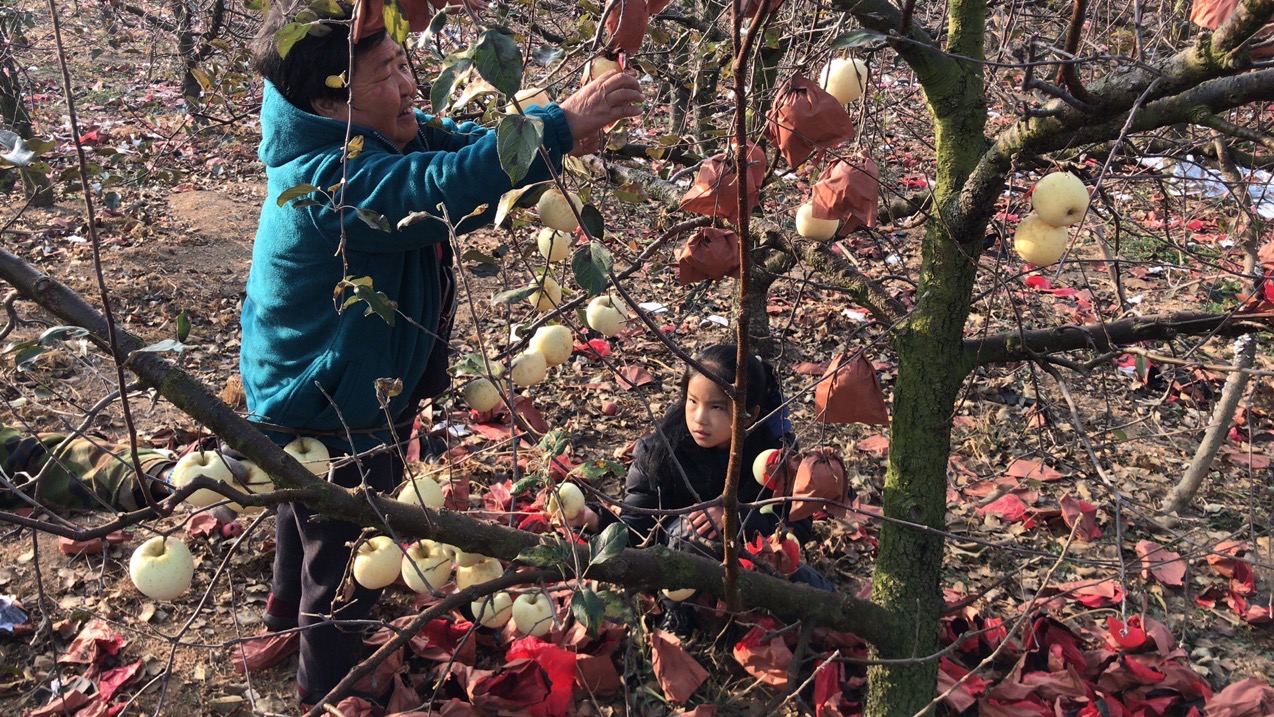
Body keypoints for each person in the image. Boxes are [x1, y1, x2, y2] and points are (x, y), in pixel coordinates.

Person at [240, 0, 643, 708]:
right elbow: (437, 186)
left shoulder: (372, 139)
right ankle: (327, 684)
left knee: (305, 512)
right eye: (387, 73)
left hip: (326, 379)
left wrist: (554, 134)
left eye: (404, 64)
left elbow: (461, 149)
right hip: (335, 397)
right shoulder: (328, 183)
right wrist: (561, 124)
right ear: (328, 101)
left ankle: (282, 622)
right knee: (343, 546)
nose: (409, 85)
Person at [564, 345, 834, 631]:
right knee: (694, 530)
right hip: (680, 567)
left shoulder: (775, 455)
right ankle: (679, 613)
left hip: (753, 562)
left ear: (750, 414)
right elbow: (636, 530)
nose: (699, 418)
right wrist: (591, 518)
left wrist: (736, 518)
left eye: (716, 406)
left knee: (824, 609)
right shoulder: (659, 451)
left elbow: (799, 527)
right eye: (693, 401)